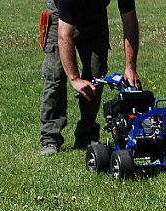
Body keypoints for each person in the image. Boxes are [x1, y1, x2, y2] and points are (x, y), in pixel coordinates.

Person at [39, 0, 141, 155]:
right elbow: (64, 35)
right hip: (59, 15)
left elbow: (130, 20)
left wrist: (130, 67)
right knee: (56, 75)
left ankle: (87, 135)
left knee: (96, 74)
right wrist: (74, 79)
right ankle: (50, 138)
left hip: (95, 17)